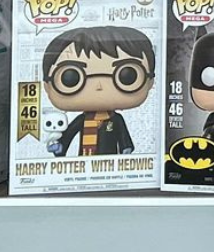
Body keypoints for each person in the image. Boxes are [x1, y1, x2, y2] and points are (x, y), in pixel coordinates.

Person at [41, 25, 156, 159]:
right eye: (71, 78)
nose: (99, 86)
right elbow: (68, 135)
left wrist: (126, 148)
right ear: (47, 86)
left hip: (110, 162)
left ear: (150, 81)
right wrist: (59, 146)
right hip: (84, 161)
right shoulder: (82, 120)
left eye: (127, 76)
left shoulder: (115, 119)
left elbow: (123, 137)